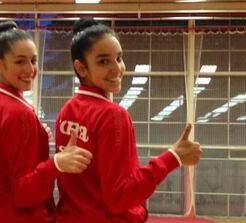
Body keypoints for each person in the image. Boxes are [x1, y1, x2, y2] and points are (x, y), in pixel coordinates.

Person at [54, 17, 203, 223]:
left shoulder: (66, 111)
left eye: (119, 58)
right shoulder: (113, 114)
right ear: (81, 68)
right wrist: (173, 157)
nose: (117, 69)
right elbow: (119, 197)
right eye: (103, 61)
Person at [0, 21, 93, 223]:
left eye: (33, 61)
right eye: (20, 62)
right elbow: (22, 193)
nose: (29, 69)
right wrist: (57, 163)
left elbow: (1, 157)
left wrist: (36, 135)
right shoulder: (18, 113)